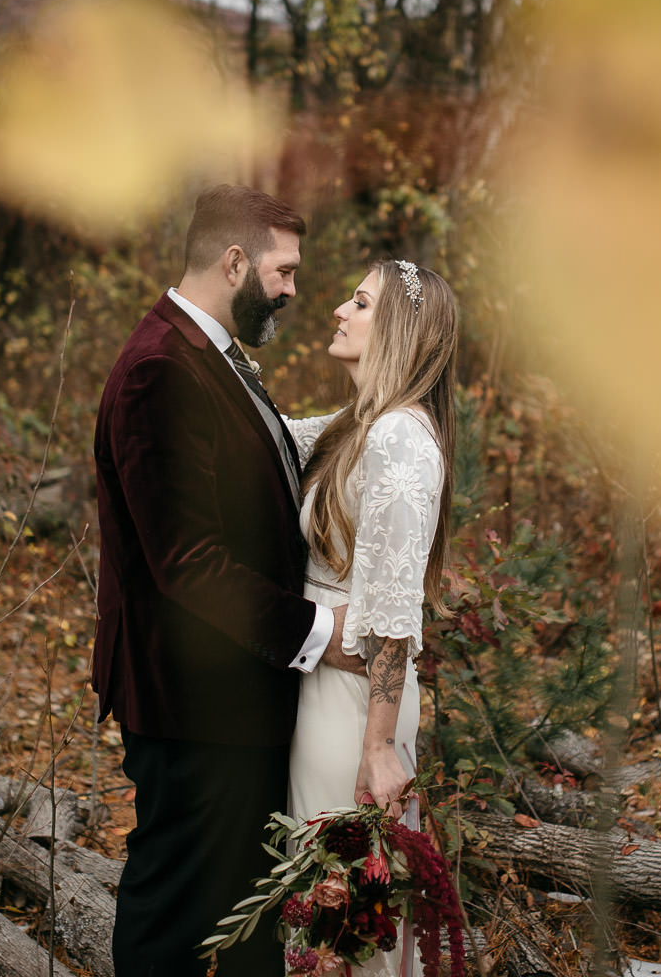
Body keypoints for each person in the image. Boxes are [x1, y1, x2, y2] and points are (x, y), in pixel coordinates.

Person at [92, 184, 365, 977]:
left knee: (245, 915)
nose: (293, 290)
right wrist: (320, 633)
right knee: (172, 918)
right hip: (191, 705)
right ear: (236, 262)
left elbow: (262, 460)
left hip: (227, 695)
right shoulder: (160, 370)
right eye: (284, 271)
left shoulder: (204, 353)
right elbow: (188, 562)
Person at [285, 259, 459, 977]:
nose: (338, 309)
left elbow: (393, 606)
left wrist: (380, 746)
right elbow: (267, 436)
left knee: (343, 914)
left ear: (397, 330)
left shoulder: (399, 439)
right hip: (324, 685)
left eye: (359, 302)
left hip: (357, 704)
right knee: (319, 903)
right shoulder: (358, 426)